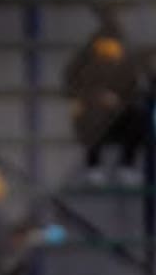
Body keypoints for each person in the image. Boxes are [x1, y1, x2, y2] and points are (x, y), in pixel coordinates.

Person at [62, 27, 147, 187]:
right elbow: (71, 85)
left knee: (138, 116)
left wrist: (117, 101)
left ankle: (126, 165)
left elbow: (132, 89)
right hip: (91, 111)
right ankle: (93, 165)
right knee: (92, 117)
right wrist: (96, 97)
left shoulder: (125, 62)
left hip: (117, 112)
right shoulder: (82, 62)